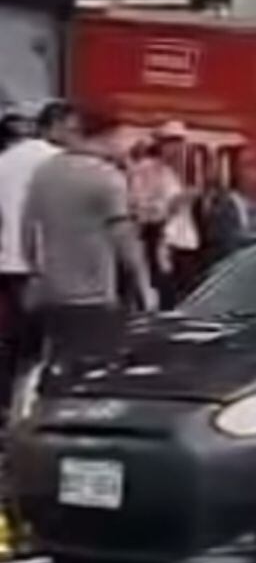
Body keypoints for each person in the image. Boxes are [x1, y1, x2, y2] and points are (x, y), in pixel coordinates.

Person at [23, 111, 157, 362]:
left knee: (50, 367)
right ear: (110, 136)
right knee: (90, 371)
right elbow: (124, 240)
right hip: (92, 298)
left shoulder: (43, 172)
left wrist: (37, 274)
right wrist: (145, 288)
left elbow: (29, 234)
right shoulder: (105, 177)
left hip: (48, 295)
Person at [0, 102, 65, 408]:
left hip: (6, 264)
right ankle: (29, 407)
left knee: (10, 343)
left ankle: (5, 406)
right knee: (42, 347)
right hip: (42, 265)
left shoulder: (4, 161)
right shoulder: (56, 161)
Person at [127, 120, 199, 305]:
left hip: (185, 242)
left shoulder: (180, 171)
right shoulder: (145, 170)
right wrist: (172, 205)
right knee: (166, 294)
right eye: (170, 142)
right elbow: (140, 209)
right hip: (161, 242)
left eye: (179, 143)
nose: (176, 148)